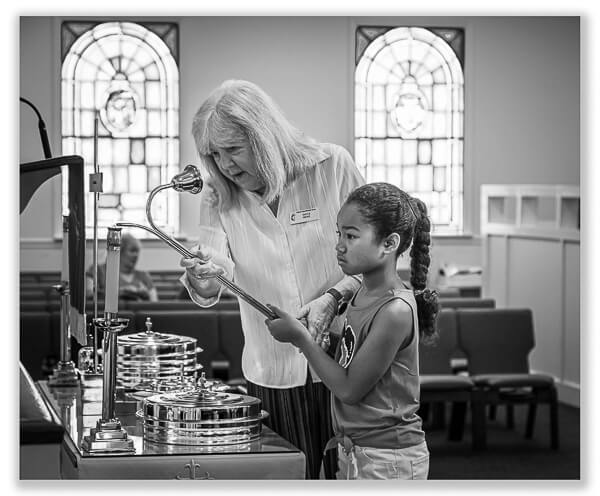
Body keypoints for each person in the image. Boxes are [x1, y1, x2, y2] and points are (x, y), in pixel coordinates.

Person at [179, 79, 364, 479]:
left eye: (233, 149)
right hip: (273, 369)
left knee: (349, 477)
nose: (225, 164)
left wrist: (333, 296)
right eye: (214, 154)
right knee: (287, 479)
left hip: (345, 362)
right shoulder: (218, 194)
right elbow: (213, 272)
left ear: (263, 136)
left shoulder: (332, 167)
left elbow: (377, 263)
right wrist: (202, 274)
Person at [265, 182, 439, 479]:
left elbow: (349, 389)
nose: (340, 245)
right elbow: (352, 356)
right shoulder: (361, 294)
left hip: (389, 458)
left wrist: (302, 339)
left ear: (389, 243)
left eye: (351, 236)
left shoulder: (394, 309)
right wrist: (320, 335)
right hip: (356, 450)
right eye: (339, 234)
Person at [86, 231, 158, 302]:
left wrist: (145, 295)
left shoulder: (143, 275)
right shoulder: (98, 270)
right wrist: (121, 293)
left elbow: (154, 303)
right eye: (132, 251)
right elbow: (89, 294)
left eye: (137, 251)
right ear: (119, 252)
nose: (136, 255)